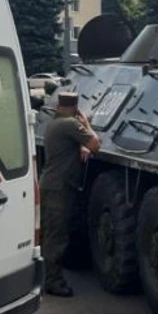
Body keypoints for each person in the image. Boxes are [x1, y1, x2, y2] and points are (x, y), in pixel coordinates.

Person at [40, 92, 101, 297]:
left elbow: (72, 146)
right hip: (60, 188)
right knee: (57, 237)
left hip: (50, 184)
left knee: (49, 233)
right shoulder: (70, 125)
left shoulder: (53, 124)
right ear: (75, 110)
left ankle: (46, 276)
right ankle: (53, 282)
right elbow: (95, 145)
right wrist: (87, 124)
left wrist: (80, 145)